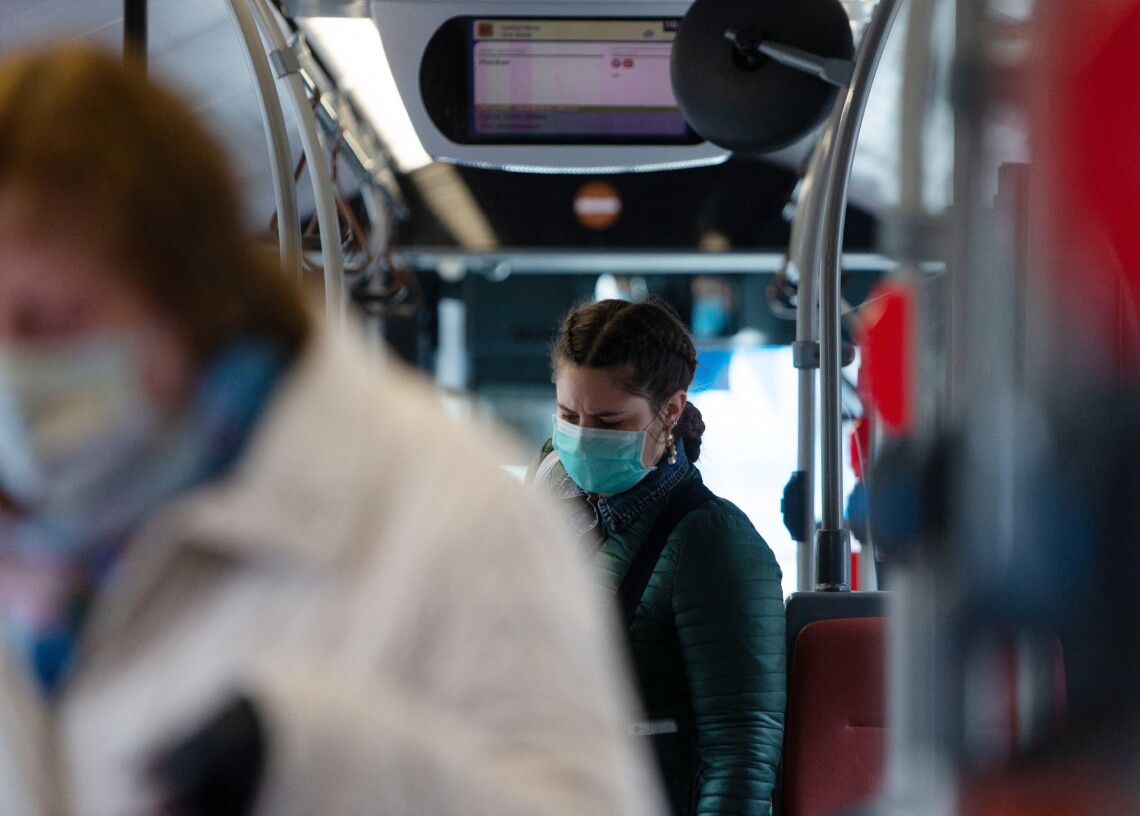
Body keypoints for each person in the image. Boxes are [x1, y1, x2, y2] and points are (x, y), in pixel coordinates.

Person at [0, 43, 664, 816]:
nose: (15, 367)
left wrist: (316, 762)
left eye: (53, 319)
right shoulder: (35, 548)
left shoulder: (458, 518)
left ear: (191, 295)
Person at [529, 298, 786, 816]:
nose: (581, 437)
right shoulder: (549, 490)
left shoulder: (712, 540)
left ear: (669, 410)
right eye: (567, 415)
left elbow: (740, 754)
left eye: (608, 421)